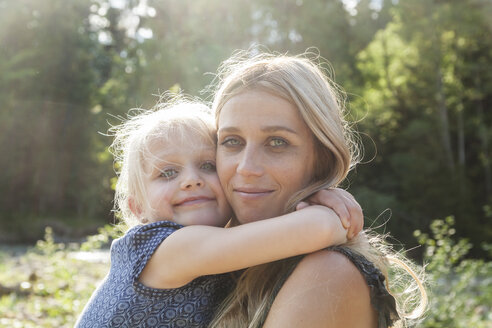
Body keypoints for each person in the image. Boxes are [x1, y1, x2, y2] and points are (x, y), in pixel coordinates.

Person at [75, 99, 365, 328]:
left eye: (207, 166)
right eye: (168, 173)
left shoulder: (218, 248)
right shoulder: (168, 248)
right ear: (138, 209)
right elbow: (322, 229)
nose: (191, 180)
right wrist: (328, 207)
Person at [208, 51, 427, 328]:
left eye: (277, 142)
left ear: (321, 158)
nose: (246, 167)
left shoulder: (327, 273)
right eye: (231, 141)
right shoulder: (205, 257)